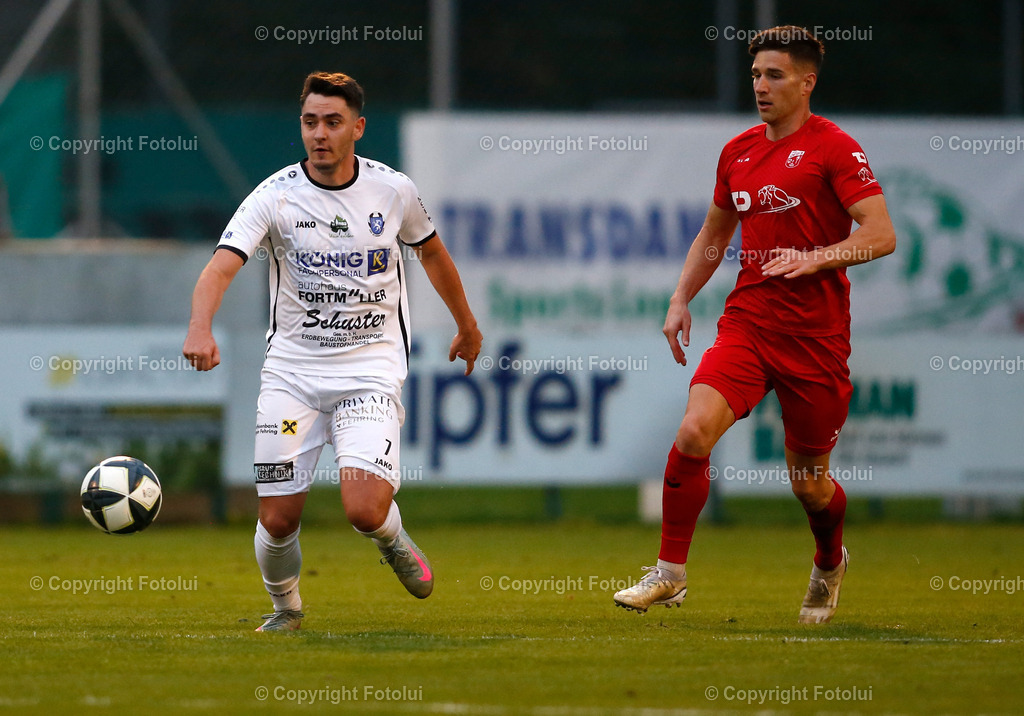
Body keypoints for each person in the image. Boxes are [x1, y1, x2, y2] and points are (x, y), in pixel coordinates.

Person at [613, 26, 896, 623]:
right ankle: (670, 574)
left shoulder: (835, 149)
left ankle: (828, 561)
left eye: (774, 76)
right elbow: (716, 233)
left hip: (816, 340)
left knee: (810, 487)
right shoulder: (738, 150)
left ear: (806, 81)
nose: (761, 88)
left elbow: (880, 234)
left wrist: (818, 255)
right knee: (693, 432)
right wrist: (680, 298)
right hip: (749, 324)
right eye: (755, 76)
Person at [183, 72, 482, 632]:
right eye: (310, 122)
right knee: (277, 518)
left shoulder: (394, 191)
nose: (319, 134)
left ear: (358, 128)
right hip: (293, 376)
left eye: (332, 122)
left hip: (369, 370)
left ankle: (391, 538)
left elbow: (435, 255)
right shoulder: (273, 197)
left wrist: (467, 324)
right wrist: (201, 327)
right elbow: (220, 266)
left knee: (363, 509)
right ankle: (287, 610)